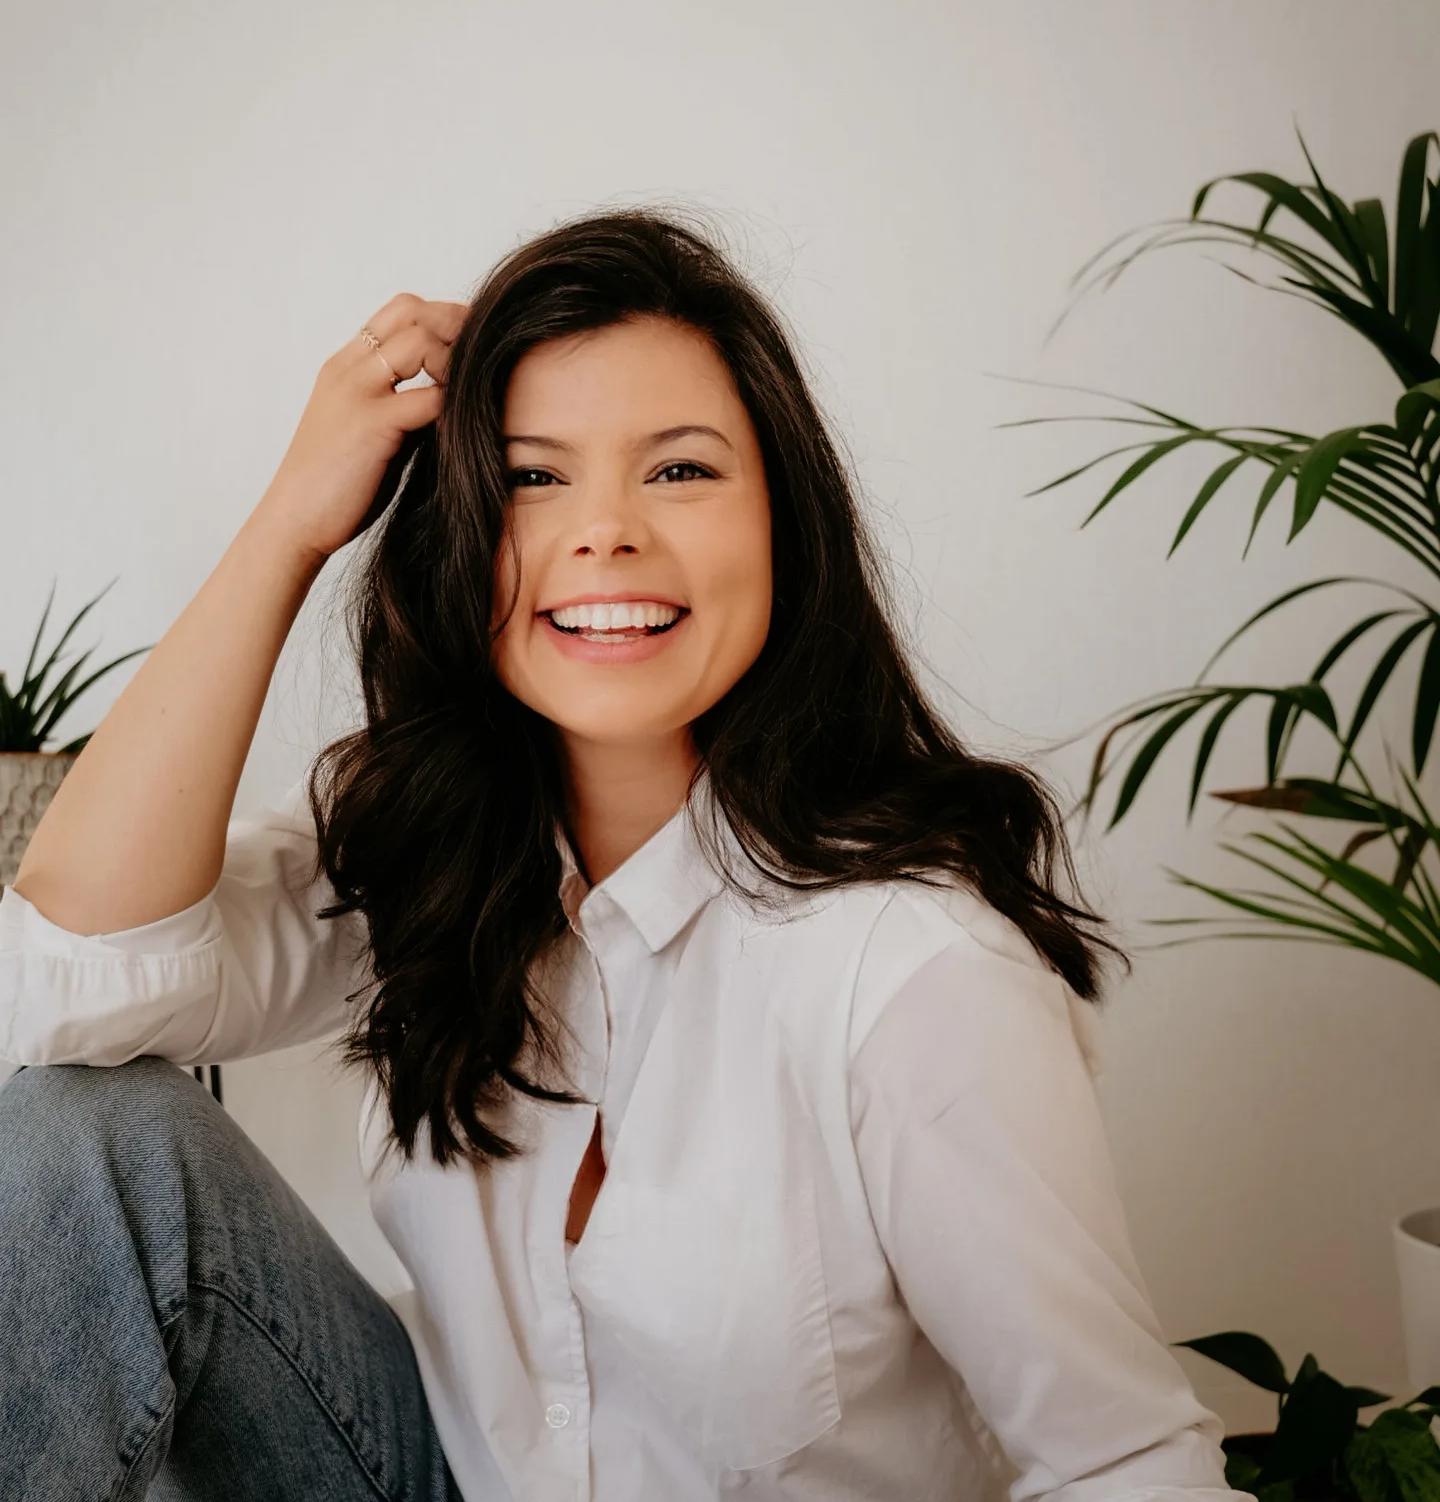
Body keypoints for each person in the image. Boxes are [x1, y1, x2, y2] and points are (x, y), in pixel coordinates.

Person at [0, 211, 1250, 1502]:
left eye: (680, 470)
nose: (604, 531)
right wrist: (289, 526)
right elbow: (63, 983)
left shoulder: (916, 973)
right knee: (92, 1140)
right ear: (462, 533)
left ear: (785, 524)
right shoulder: (429, 851)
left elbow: (1123, 1463)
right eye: (534, 478)